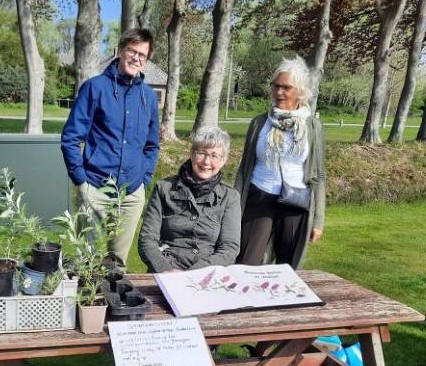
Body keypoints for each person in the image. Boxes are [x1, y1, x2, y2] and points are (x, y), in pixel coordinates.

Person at [61, 28, 161, 270]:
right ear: (120, 51)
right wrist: (81, 181)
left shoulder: (148, 96)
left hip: (131, 194)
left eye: (142, 55)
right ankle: (86, 307)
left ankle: (113, 307)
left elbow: (152, 144)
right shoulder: (95, 88)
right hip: (96, 188)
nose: (136, 58)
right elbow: (71, 138)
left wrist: (143, 179)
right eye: (132, 51)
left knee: (117, 264)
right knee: (89, 260)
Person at [234, 56, 325, 269]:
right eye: (276, 86)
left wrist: (318, 220)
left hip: (295, 201)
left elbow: (319, 174)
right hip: (259, 196)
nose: (279, 92)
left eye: (286, 87)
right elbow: (243, 170)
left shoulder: (312, 127)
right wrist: (233, 207)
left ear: (300, 91)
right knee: (247, 262)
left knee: (287, 267)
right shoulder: (259, 123)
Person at [138, 126, 240, 273]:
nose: (206, 161)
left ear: (223, 160)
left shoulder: (230, 197)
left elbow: (229, 249)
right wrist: (165, 269)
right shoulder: (164, 188)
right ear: (192, 154)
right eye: (201, 153)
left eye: (214, 155)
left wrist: (194, 274)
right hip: (166, 271)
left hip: (207, 274)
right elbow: (147, 239)